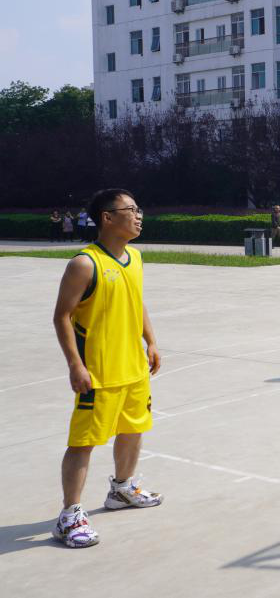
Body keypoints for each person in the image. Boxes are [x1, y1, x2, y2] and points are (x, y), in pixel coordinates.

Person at [50, 189, 163, 549]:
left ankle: (122, 489)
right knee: (83, 442)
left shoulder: (135, 257)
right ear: (107, 217)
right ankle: (69, 516)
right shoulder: (85, 264)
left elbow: (136, 301)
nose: (138, 215)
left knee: (133, 429)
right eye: (131, 209)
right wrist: (75, 365)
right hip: (98, 373)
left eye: (139, 209)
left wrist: (151, 341)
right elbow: (62, 316)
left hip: (134, 369)